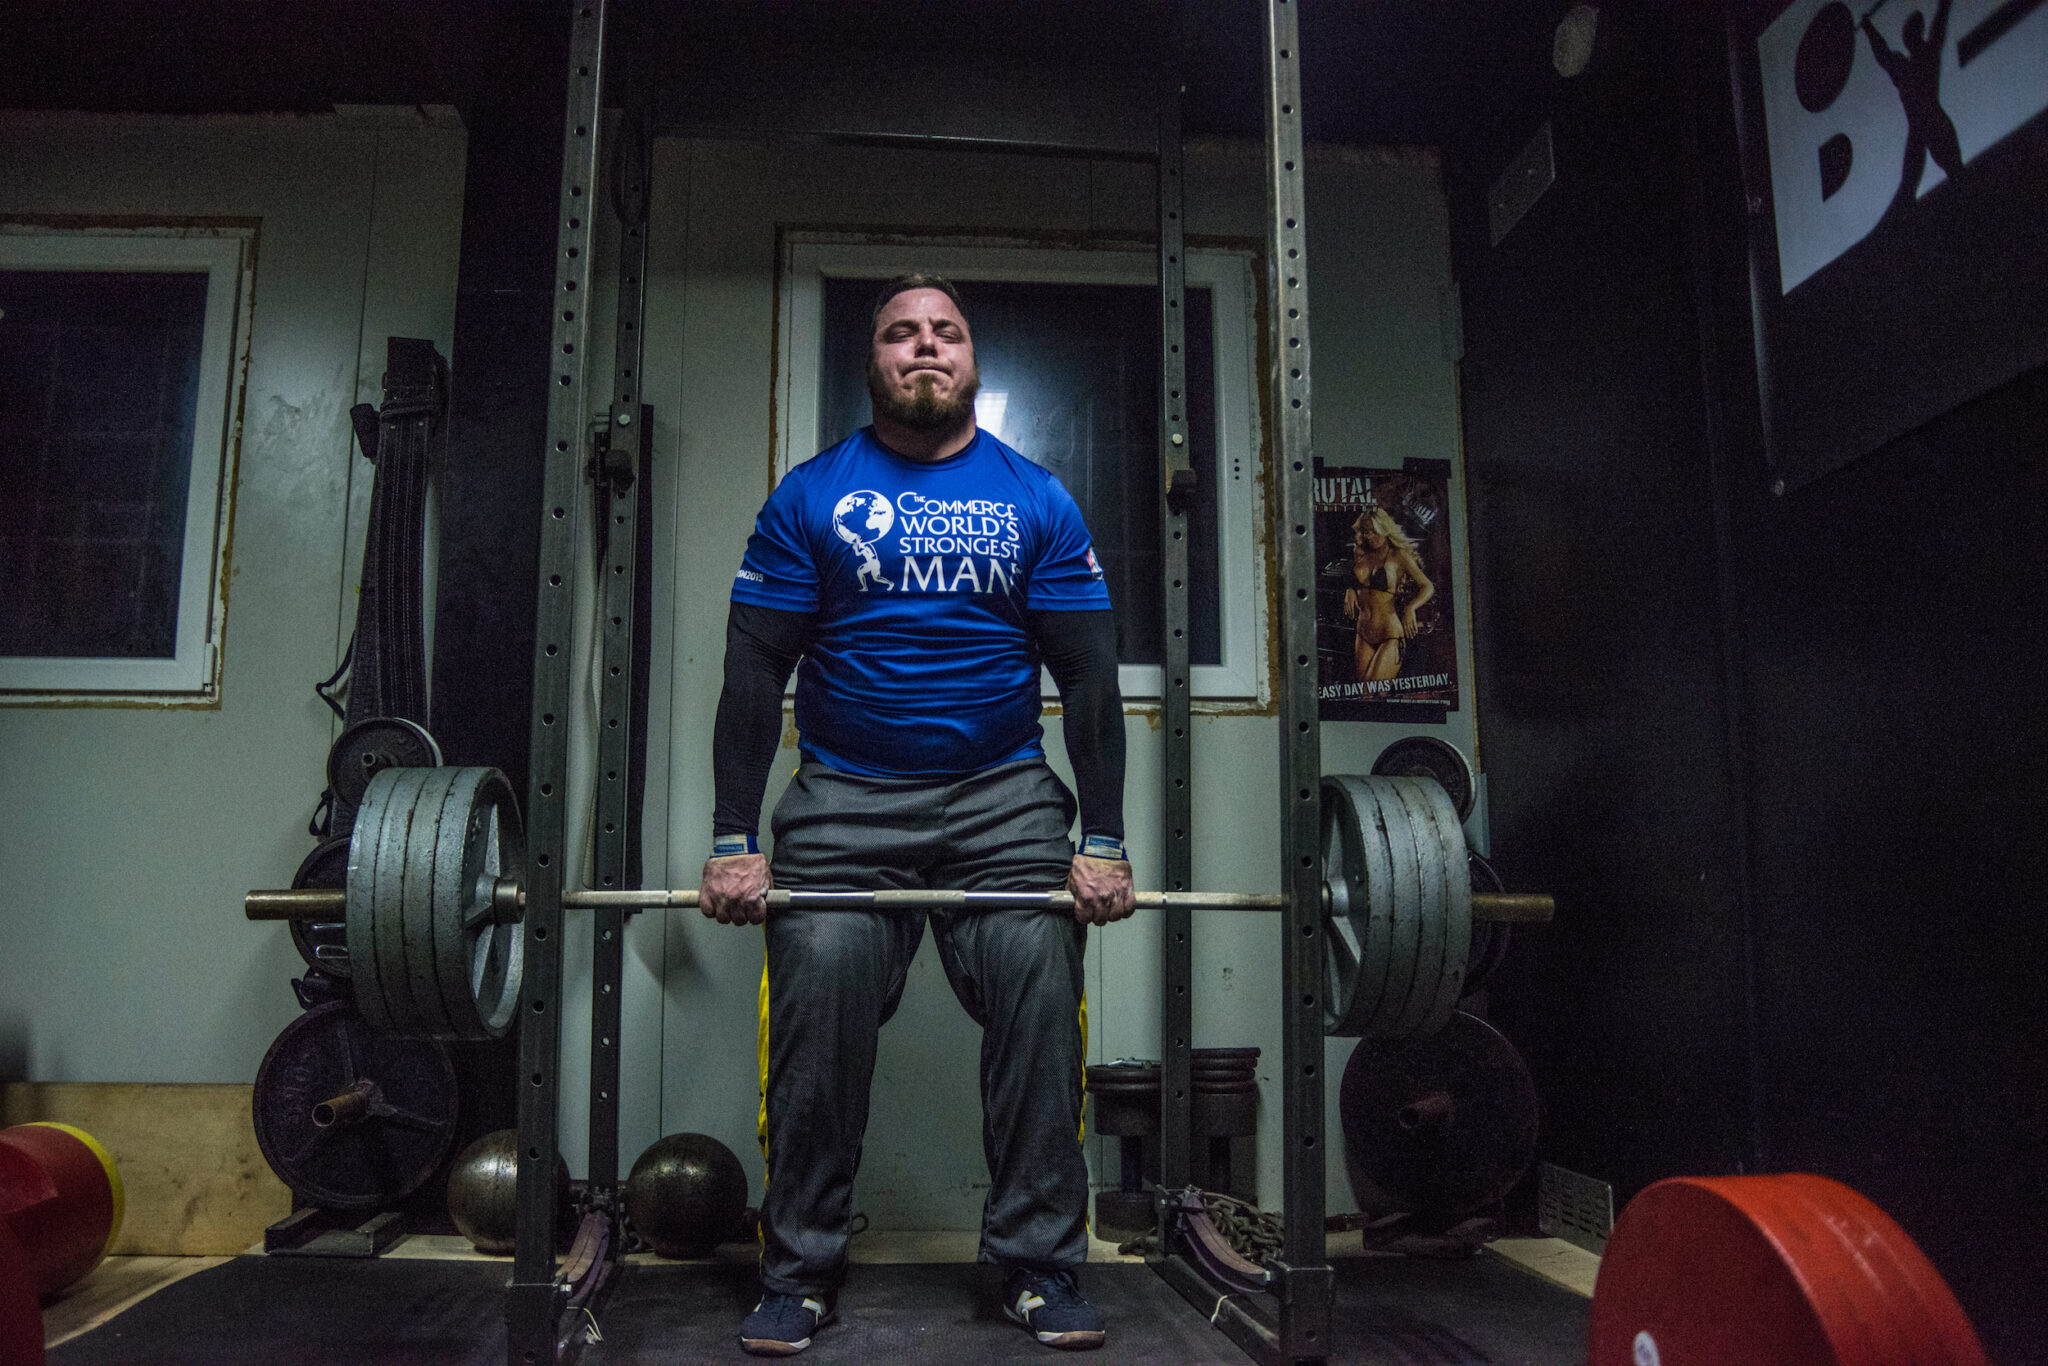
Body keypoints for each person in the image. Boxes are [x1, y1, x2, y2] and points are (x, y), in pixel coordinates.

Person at [699, 273, 1137, 1357]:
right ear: (875, 363)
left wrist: (1103, 839)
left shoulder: (1038, 498)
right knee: (820, 988)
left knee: (1039, 978)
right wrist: (731, 839)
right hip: (845, 798)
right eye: (901, 332)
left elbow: (1087, 678)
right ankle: (799, 1268)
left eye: (945, 332)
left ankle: (1038, 1264)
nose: (924, 346)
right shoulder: (809, 495)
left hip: (1001, 798)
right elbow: (753, 670)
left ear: (973, 364)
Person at [1342, 505, 1434, 688]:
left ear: (1384, 529)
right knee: (1361, 695)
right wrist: (1349, 590)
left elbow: (1427, 586)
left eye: (1374, 531)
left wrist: (1411, 608)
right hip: (1363, 633)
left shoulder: (1398, 555)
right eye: (1366, 532)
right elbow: (1352, 579)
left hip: (1389, 634)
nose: (1370, 536)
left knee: (1371, 695)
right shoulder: (1359, 552)